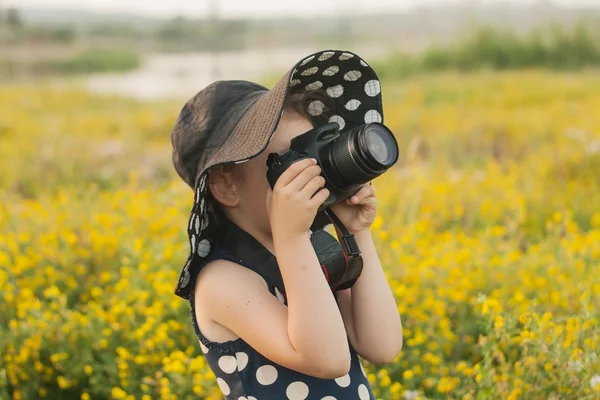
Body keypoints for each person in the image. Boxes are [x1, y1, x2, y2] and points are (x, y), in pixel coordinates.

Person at [170, 50, 403, 400]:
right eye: (292, 161)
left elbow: (382, 345)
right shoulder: (221, 279)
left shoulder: (309, 252)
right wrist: (292, 238)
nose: (315, 173)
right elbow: (328, 359)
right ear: (226, 186)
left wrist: (358, 233)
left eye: (315, 151)